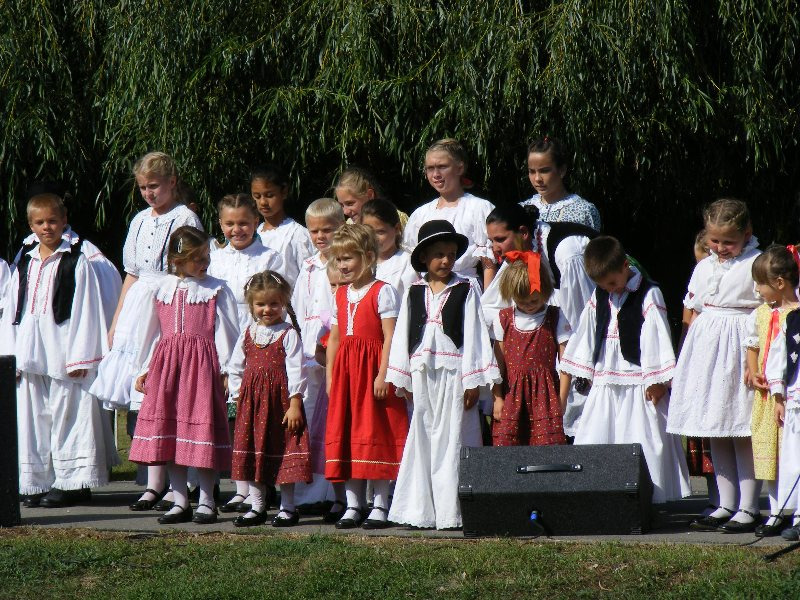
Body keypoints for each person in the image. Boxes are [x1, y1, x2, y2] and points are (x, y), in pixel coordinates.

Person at [90, 152, 203, 512]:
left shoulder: (184, 217)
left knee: (171, 392)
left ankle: (184, 482)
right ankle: (154, 483)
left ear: (172, 182)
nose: (149, 193)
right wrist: (117, 321)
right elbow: (133, 273)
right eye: (143, 188)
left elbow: (191, 268)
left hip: (170, 302)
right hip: (139, 308)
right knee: (147, 398)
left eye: (154, 186)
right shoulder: (140, 220)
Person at [0, 193, 117, 507]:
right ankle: (36, 481)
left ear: (64, 221)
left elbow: (87, 308)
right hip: (30, 348)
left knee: (70, 413)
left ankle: (72, 482)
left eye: (52, 221)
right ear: (31, 225)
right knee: (33, 415)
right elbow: (12, 307)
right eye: (40, 222)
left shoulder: (77, 259)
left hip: (64, 349)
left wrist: (81, 355)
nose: (47, 227)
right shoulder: (25, 259)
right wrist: (11, 354)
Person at [559, 236, 690, 504]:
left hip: (638, 377)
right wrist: (585, 368)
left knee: (642, 434)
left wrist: (656, 379)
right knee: (598, 431)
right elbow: (588, 330)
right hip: (607, 375)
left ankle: (646, 496)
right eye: (603, 285)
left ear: (624, 266)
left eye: (612, 283)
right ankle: (601, 493)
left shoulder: (648, 292)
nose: (609, 289)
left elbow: (656, 334)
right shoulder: (600, 294)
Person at [387, 220, 500, 529]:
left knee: (454, 438)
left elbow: (475, 333)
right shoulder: (414, 291)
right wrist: (403, 377)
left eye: (450, 254)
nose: (446, 260)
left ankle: (453, 512)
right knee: (422, 437)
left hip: (454, 375)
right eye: (439, 254)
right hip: (422, 373)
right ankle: (419, 511)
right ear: (424, 257)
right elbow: (402, 333)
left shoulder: (466, 288)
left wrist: (472, 380)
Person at [129, 226, 239, 525]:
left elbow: (227, 333)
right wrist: (144, 368)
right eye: (197, 258)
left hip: (202, 368)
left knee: (201, 434)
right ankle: (179, 500)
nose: (205, 263)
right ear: (177, 260)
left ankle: (206, 500)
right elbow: (149, 333)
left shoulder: (216, 290)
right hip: (167, 368)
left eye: (206, 256)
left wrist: (226, 371)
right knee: (171, 436)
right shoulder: (160, 289)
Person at [667, 199, 763, 532]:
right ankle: (725, 502)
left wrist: (755, 358)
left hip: (740, 349)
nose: (720, 247)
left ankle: (749, 506)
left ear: (746, 233)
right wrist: (687, 354)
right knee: (716, 427)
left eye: (728, 241)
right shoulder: (704, 266)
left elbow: (766, 311)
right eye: (715, 240)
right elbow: (693, 309)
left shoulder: (755, 263)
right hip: (708, 350)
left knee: (740, 428)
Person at [482, 203, 596, 436]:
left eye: (500, 239)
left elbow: (582, 314)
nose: (495, 248)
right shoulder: (518, 255)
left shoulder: (566, 250)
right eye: (491, 241)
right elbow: (491, 305)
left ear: (523, 233)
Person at [325, 224, 408, 529]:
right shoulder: (341, 293)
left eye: (348, 258)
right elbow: (335, 338)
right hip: (347, 374)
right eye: (338, 259)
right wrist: (331, 376)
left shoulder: (382, 291)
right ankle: (353, 504)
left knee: (376, 434)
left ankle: (381, 503)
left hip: (372, 371)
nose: (342, 265)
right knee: (348, 434)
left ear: (369, 256)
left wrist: (383, 374)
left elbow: (390, 336)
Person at [207, 192, 284, 513]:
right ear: (220, 224)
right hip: (222, 338)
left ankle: (264, 485)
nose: (236, 230)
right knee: (233, 419)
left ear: (255, 222)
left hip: (258, 338)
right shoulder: (215, 258)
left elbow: (277, 300)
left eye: (243, 223)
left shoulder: (269, 257)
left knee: (259, 417)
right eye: (229, 224)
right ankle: (241, 487)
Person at [226, 272, 312, 527]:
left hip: (280, 404)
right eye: (261, 304)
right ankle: (257, 506)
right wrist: (238, 396)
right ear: (251, 304)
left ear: (283, 302)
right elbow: (235, 367)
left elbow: (297, 370)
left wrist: (295, 404)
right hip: (252, 405)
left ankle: (288, 508)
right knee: (253, 453)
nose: (267, 309)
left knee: (283, 452)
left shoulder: (288, 334)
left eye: (274, 303)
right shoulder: (248, 333)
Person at [290, 198, 346, 511]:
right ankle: (308, 492)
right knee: (310, 416)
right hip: (309, 349)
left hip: (333, 346)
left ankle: (334, 491)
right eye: (314, 231)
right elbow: (299, 309)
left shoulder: (343, 263)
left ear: (341, 227)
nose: (320, 236)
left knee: (332, 420)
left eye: (327, 229)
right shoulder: (309, 266)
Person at [743, 246, 800, 537]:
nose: (756, 290)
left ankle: (797, 513)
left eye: (760, 284)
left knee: (793, 453)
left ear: (779, 283)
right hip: (770, 398)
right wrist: (754, 372)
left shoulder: (796, 315)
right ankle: (776, 511)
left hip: (792, 395)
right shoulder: (762, 314)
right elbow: (755, 347)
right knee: (772, 456)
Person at [490, 251, 571, 446]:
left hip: (545, 398)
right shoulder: (504, 318)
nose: (528, 306)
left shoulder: (555, 317)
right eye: (521, 301)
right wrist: (497, 398)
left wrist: (561, 400)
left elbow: (566, 363)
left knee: (546, 451)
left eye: (534, 300)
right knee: (508, 450)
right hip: (512, 396)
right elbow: (497, 364)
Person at [402, 139, 496, 288]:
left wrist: (487, 300)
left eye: (442, 167)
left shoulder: (479, 208)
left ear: (459, 168)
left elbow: (488, 263)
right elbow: (413, 264)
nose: (436, 174)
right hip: (429, 289)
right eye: (430, 168)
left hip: (465, 287)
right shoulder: (420, 214)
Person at [519, 136, 601, 230]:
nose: (537, 179)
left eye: (544, 171)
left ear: (562, 170)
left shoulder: (584, 211)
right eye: (532, 171)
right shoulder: (520, 210)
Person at [251, 164, 313, 286]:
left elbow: (309, 279)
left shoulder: (297, 234)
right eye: (257, 196)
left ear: (284, 192)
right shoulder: (252, 233)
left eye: (269, 195)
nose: (263, 202)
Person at [361, 198, 419, 299]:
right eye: (368, 231)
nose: (373, 238)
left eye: (380, 232)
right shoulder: (361, 262)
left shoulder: (406, 263)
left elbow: (411, 300)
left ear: (396, 229)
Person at [334, 166, 408, 228]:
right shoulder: (349, 227)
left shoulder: (395, 219)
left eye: (350, 203)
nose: (345, 212)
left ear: (369, 195)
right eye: (342, 205)